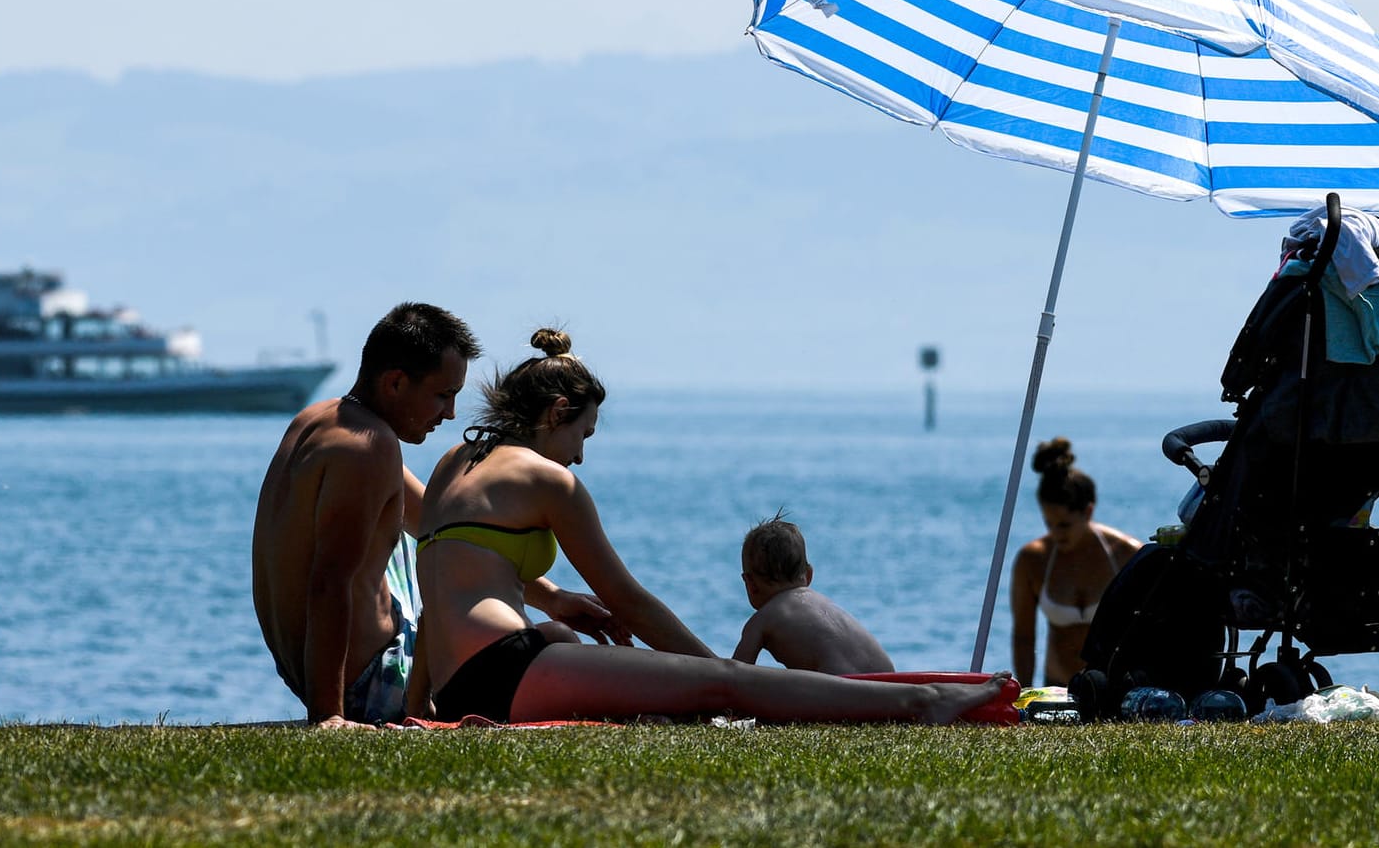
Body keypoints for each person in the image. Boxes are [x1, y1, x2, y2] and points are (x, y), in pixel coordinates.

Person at [415, 327, 1010, 725]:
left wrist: (551, 602)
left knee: (568, 642)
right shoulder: (548, 480)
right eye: (582, 436)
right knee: (724, 686)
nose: (579, 457)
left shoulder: (453, 463)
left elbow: (449, 580)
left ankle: (903, 699)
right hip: (501, 672)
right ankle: (919, 702)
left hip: (458, 677)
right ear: (556, 415)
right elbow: (631, 603)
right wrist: (709, 669)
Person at [251, 303, 615, 729]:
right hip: (374, 686)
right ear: (395, 383)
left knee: (436, 527)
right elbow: (330, 584)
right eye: (443, 395)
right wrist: (328, 714)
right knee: (553, 644)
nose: (451, 414)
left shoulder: (320, 420)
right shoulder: (368, 448)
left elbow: (438, 525)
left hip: (323, 673)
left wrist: (552, 598)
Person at [1009, 437, 1143, 688]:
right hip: (1056, 686)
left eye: (1064, 525)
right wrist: (1025, 694)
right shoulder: (1032, 560)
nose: (1056, 534)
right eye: (1048, 524)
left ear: (1088, 512)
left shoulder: (1126, 553)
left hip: (1112, 687)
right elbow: (1023, 638)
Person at [731, 511, 895, 675]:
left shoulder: (762, 621)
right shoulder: (828, 607)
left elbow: (733, 677)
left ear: (750, 584)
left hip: (840, 692)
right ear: (809, 575)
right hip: (891, 685)